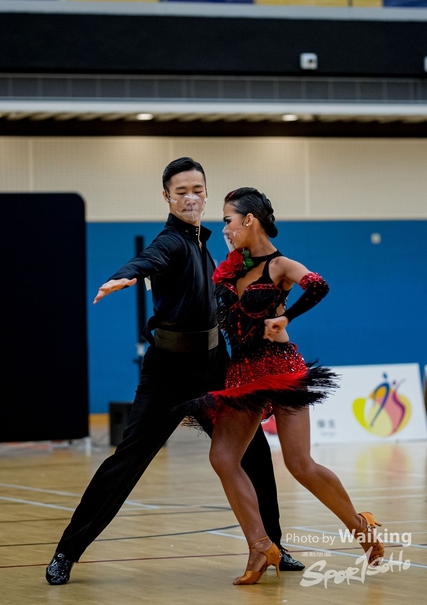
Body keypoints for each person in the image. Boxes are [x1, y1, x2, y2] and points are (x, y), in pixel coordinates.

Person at [45, 158, 303, 585]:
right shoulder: (172, 241)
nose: (191, 198)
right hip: (168, 373)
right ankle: (66, 553)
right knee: (127, 462)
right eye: (181, 191)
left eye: (197, 190)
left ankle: (272, 545)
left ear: (206, 193)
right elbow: (150, 258)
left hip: (214, 367)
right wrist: (126, 275)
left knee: (254, 452)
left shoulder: (207, 243)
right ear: (167, 197)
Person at [182, 187, 384, 585]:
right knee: (223, 457)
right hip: (243, 373)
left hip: (280, 367)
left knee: (299, 463)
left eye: (228, 220)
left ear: (249, 220)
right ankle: (261, 545)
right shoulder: (232, 269)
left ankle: (360, 526)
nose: (224, 229)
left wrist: (286, 317)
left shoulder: (280, 265)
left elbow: (318, 285)